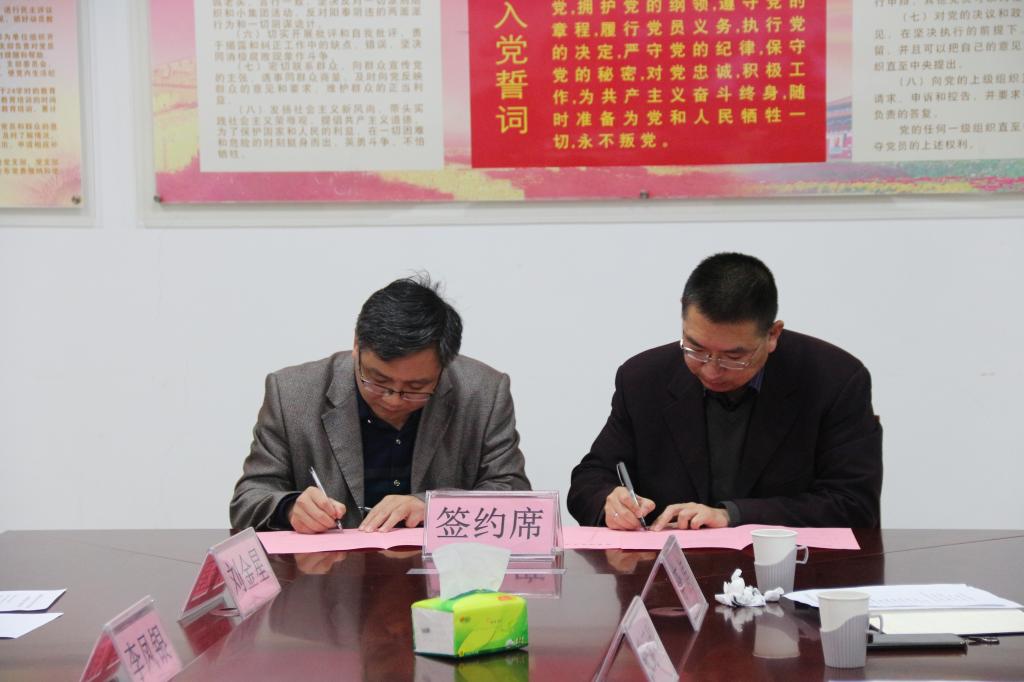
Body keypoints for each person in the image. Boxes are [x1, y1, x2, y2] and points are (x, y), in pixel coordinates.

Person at [568, 253, 882, 530]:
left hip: (791, 569)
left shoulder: (833, 380)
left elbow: (853, 505)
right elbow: (590, 478)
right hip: (667, 571)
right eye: (695, 348)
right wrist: (609, 501)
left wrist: (732, 515)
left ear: (772, 335)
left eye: (734, 357)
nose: (711, 370)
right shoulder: (643, 378)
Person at [230, 276, 530, 533]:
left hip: (443, 574)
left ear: (445, 366)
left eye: (416, 388)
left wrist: (433, 508)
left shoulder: (483, 393)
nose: (393, 399)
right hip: (327, 575)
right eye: (377, 380)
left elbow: (514, 495)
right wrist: (289, 507)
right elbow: (248, 499)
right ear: (356, 346)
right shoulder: (292, 394)